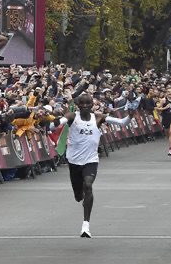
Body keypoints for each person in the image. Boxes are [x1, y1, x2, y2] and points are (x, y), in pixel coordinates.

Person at [56, 93, 132, 238]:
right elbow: (59, 122)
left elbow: (122, 123)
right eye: (82, 103)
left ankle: (86, 225)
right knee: (78, 196)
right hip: (74, 161)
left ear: (92, 104)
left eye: (88, 103)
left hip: (91, 160)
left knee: (88, 185)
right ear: (78, 105)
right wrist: (50, 122)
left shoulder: (98, 117)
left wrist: (131, 115)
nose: (85, 106)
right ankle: (80, 195)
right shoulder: (72, 116)